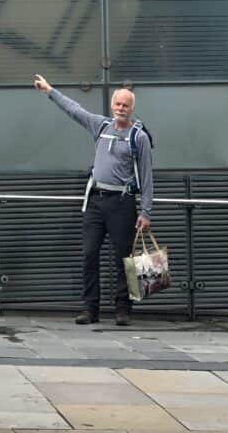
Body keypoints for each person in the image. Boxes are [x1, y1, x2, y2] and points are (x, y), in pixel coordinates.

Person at [33, 73, 153, 327]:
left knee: (124, 258)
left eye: (126, 105)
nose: (121, 108)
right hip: (96, 202)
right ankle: (90, 309)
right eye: (118, 104)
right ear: (112, 105)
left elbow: (146, 175)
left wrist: (146, 212)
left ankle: (123, 309)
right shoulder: (100, 126)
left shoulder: (138, 137)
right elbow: (74, 110)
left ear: (132, 108)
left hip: (122, 204)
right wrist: (49, 90)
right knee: (89, 255)